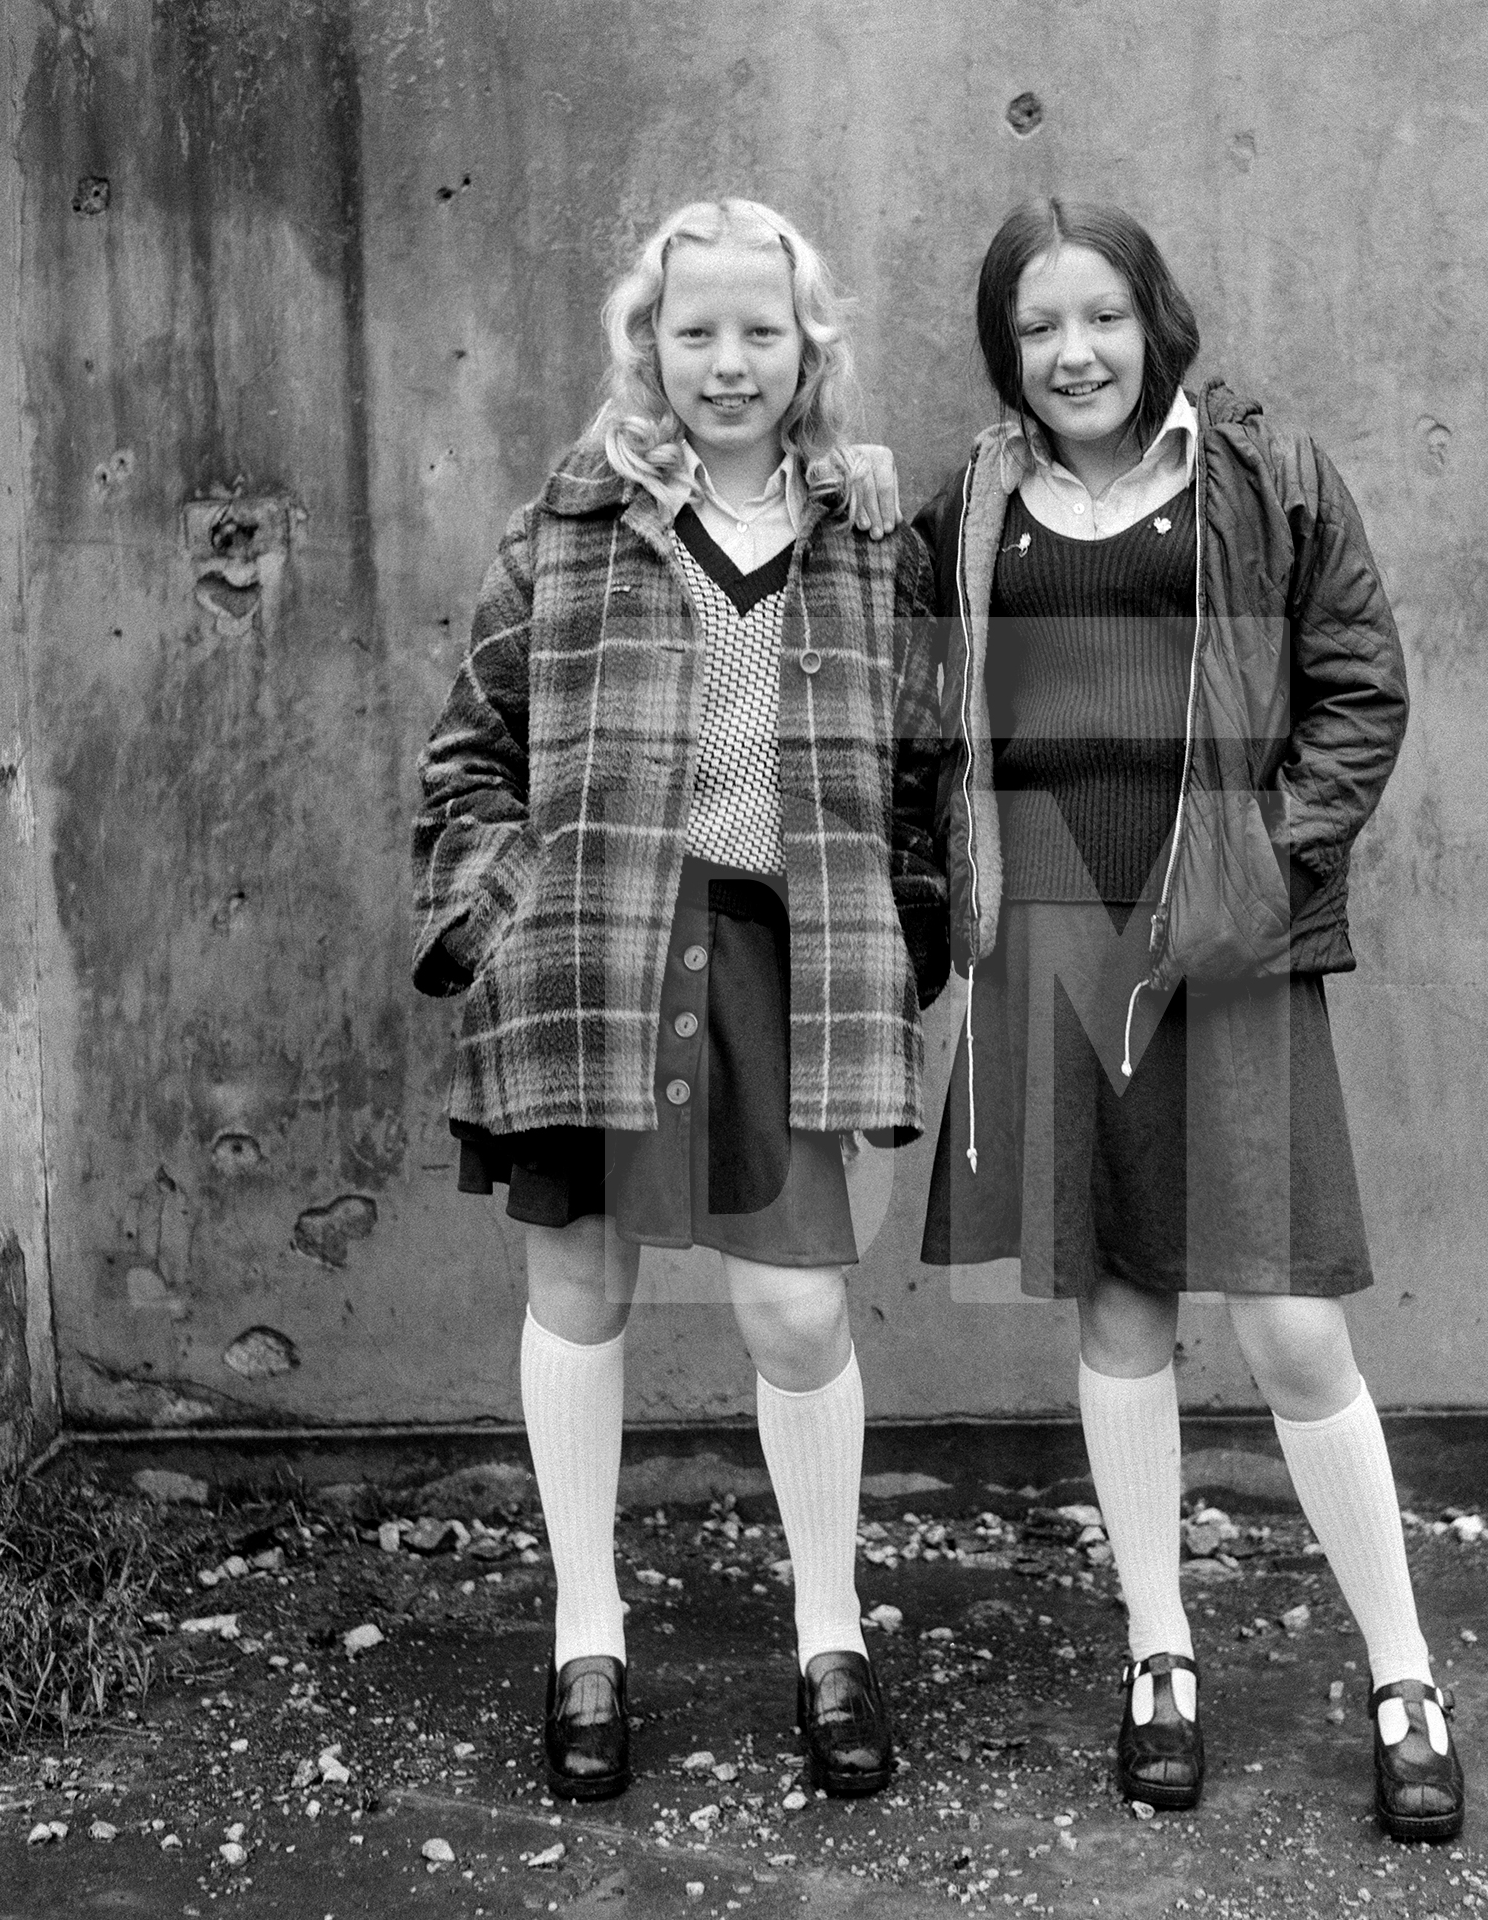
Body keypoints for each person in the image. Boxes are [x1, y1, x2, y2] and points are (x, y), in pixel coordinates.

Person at [913, 198, 1462, 1842]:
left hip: (1220, 946)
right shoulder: (972, 504)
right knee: (1120, 1306)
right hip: (1057, 943)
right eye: (1036, 327)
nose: (1073, 351)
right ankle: (1159, 1648)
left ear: (1155, 318)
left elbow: (1361, 686)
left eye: (1100, 316)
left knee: (1293, 1324)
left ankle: (1406, 1672)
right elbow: (904, 699)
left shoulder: (1264, 480)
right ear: (1007, 350)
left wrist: (1261, 863)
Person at [412, 197, 944, 1804]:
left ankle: (830, 1634)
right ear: (648, 343)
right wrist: (507, 925)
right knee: (580, 1291)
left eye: (759, 333)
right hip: (593, 952)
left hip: (780, 956)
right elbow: (467, 758)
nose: (727, 363)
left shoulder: (865, 532)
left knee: (793, 1308)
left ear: (808, 351)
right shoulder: (564, 526)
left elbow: (928, 763)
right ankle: (589, 1637)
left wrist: (908, 929)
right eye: (693, 331)